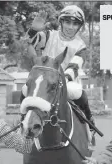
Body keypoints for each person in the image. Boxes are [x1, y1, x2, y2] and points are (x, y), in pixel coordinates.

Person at [21, 5, 95, 146]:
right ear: (61, 22)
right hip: (43, 80)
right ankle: (23, 120)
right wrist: (33, 30)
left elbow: (74, 66)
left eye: (75, 24)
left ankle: (90, 123)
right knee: (25, 89)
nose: (70, 27)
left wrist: (61, 80)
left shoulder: (80, 46)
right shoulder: (49, 35)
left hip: (66, 81)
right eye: (67, 22)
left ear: (79, 27)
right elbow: (30, 42)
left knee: (77, 92)